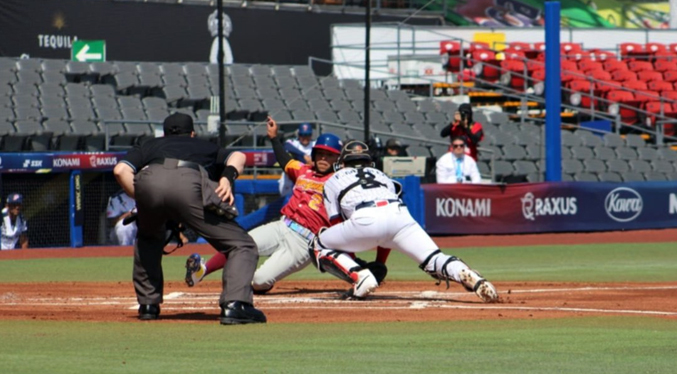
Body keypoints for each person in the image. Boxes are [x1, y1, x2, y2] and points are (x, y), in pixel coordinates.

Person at [185, 117, 391, 294]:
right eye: (320, 153)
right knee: (241, 243)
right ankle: (202, 270)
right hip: (282, 226)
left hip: (304, 242)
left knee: (259, 281)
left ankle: (358, 271)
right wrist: (274, 138)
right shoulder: (303, 171)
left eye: (329, 155)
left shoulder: (342, 181)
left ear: (338, 158)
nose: (323, 158)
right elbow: (284, 160)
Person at [113, 112, 265, 324]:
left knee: (148, 239)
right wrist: (227, 177)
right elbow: (238, 156)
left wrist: (142, 199)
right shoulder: (204, 145)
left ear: (164, 134)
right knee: (242, 245)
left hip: (149, 182)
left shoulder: (149, 145)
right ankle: (235, 305)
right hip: (189, 182)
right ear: (192, 133)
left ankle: (148, 305)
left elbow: (120, 171)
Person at [309, 140, 499, 302]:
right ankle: (471, 276)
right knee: (433, 258)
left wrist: (355, 265)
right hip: (400, 217)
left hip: (364, 218)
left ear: (342, 163)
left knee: (317, 244)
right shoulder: (382, 176)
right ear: (369, 162)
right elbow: (387, 227)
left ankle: (360, 276)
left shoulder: (334, 179)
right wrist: (380, 263)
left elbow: (335, 224)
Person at [278, 123, 316, 196]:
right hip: (291, 176)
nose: (305, 137)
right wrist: (303, 155)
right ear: (298, 135)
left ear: (311, 135)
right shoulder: (293, 142)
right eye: (302, 135)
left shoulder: (314, 143)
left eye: (307, 135)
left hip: (308, 176)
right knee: (285, 198)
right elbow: (286, 146)